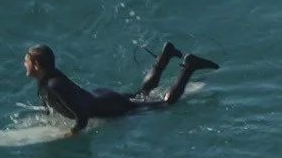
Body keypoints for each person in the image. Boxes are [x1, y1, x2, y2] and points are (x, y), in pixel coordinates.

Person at [24, 42, 218, 134]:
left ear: (37, 66)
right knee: (141, 94)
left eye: (27, 61)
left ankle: (189, 66)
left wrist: (74, 132)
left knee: (166, 103)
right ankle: (165, 55)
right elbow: (49, 102)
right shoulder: (47, 80)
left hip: (110, 106)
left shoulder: (53, 84)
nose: (24, 64)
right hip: (100, 96)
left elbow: (82, 115)